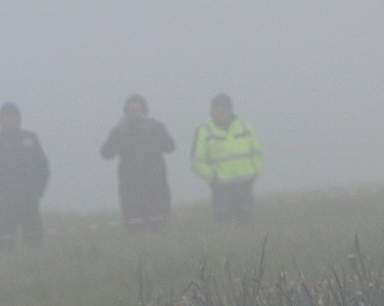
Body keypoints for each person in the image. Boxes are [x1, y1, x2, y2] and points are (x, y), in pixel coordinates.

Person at [0, 102, 50, 250]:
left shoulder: (30, 138)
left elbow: (43, 167)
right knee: (4, 243)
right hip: (4, 201)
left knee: (34, 242)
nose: (11, 119)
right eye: (7, 116)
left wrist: (38, 190)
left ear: (19, 118)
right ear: (0, 119)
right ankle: (7, 271)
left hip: (29, 199)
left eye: (14, 116)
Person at [100, 94, 176, 232]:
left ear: (144, 111)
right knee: (135, 228)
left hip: (156, 185)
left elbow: (170, 146)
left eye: (138, 111)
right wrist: (117, 131)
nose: (135, 115)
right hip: (130, 188)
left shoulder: (155, 127)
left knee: (158, 226)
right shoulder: (120, 131)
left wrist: (153, 129)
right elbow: (106, 153)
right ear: (126, 113)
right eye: (131, 111)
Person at [191, 94, 263, 224]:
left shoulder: (246, 127)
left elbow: (257, 153)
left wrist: (254, 171)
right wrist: (213, 176)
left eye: (224, 107)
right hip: (221, 187)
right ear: (211, 111)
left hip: (245, 184)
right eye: (217, 108)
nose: (221, 111)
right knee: (224, 223)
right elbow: (196, 162)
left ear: (230, 109)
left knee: (247, 222)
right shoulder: (204, 131)